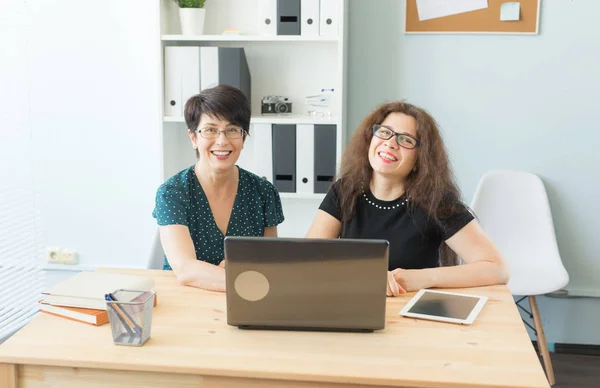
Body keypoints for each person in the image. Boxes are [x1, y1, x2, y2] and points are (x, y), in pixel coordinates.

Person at [306, 101, 509, 296]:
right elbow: (306, 259)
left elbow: (497, 269)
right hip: (354, 303)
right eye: (385, 132)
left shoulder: (437, 201)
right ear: (370, 140)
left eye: (406, 140)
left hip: (413, 314)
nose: (391, 143)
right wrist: (364, 275)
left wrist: (418, 278)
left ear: (420, 159)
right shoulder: (344, 190)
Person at [152, 85, 284, 292]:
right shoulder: (173, 193)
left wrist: (220, 274)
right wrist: (241, 275)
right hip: (183, 303)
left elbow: (269, 261)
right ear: (194, 138)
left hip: (247, 301)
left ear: (244, 137)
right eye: (210, 130)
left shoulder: (263, 192)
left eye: (232, 130)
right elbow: (186, 269)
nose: (222, 141)